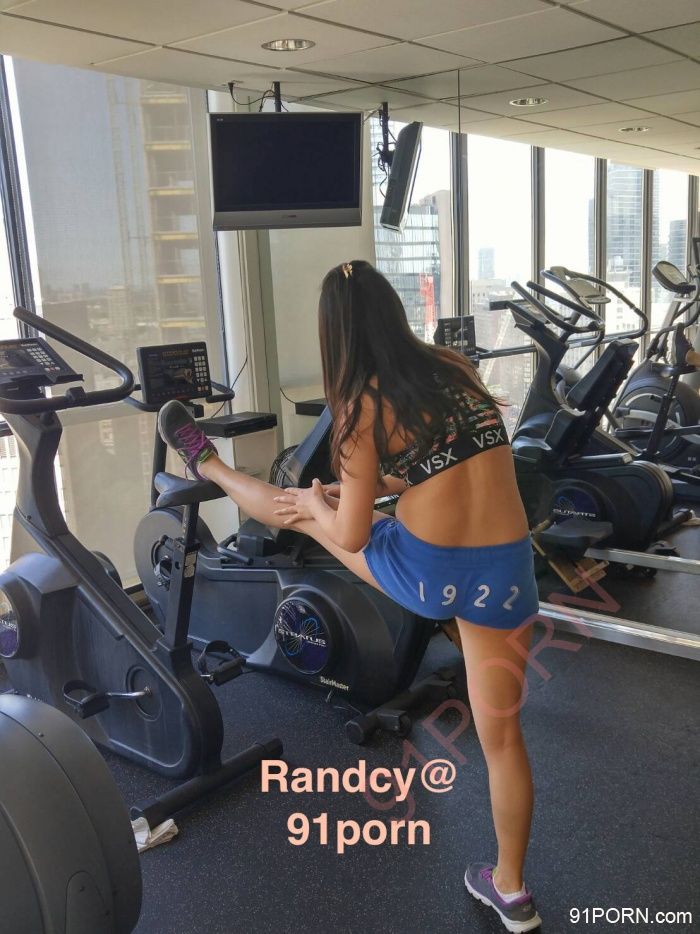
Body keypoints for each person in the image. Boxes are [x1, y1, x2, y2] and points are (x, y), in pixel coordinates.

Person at [157, 260, 542, 933]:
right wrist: (370, 487)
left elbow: (353, 534)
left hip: (428, 576)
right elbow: (452, 459)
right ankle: (511, 893)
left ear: (334, 335)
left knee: (306, 515)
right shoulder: (454, 368)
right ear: (393, 313)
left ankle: (204, 460)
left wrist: (320, 503)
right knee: (503, 740)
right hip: (506, 572)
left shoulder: (361, 409)